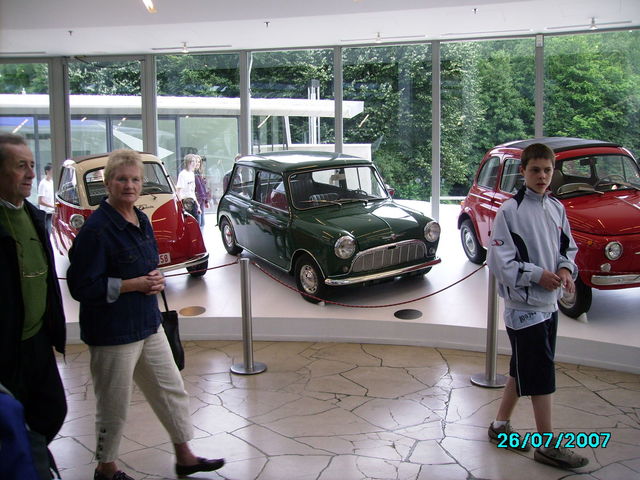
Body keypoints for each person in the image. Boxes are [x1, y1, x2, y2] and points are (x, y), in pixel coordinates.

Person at [66, 149, 224, 480]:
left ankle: (185, 456)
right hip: (112, 331)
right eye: (122, 179)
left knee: (171, 389)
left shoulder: (141, 219)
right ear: (108, 183)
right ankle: (106, 468)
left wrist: (155, 279)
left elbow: (148, 265)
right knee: (114, 403)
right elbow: (82, 286)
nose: (129, 185)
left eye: (135, 179)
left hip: (148, 323)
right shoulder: (96, 230)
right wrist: (134, 284)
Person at [486, 143, 588, 470]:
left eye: (547, 170)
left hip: (549, 306)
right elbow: (499, 262)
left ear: (553, 171)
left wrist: (564, 271)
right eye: (535, 170)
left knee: (523, 367)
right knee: (541, 373)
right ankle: (548, 446)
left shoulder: (556, 207)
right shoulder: (509, 211)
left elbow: (567, 249)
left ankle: (500, 426)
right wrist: (537, 275)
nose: (542, 176)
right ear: (523, 172)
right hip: (523, 309)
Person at [0, 134, 67, 453]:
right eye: (20, 166)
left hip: (37, 340)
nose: (30, 173)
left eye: (31, 165)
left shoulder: (34, 216)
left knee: (52, 410)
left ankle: (31, 459)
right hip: (6, 346)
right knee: (10, 420)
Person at [176, 154, 200, 220]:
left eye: (195, 161)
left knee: (196, 221)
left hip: (193, 201)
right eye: (193, 161)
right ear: (189, 162)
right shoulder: (182, 174)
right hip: (186, 202)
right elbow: (178, 190)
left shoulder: (192, 174)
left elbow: (192, 191)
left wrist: (197, 204)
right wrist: (181, 204)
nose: (195, 163)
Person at [37, 163, 55, 236]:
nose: (53, 172)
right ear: (47, 171)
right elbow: (40, 201)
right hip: (46, 213)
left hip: (52, 212)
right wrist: (53, 206)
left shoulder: (52, 182)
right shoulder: (43, 183)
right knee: (48, 232)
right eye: (52, 170)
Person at [193, 155, 210, 228]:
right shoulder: (192, 174)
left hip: (201, 200)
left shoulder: (199, 173)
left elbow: (203, 188)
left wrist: (206, 201)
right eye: (196, 162)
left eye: (199, 162)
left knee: (202, 223)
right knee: (199, 224)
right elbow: (199, 188)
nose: (197, 163)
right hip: (196, 200)